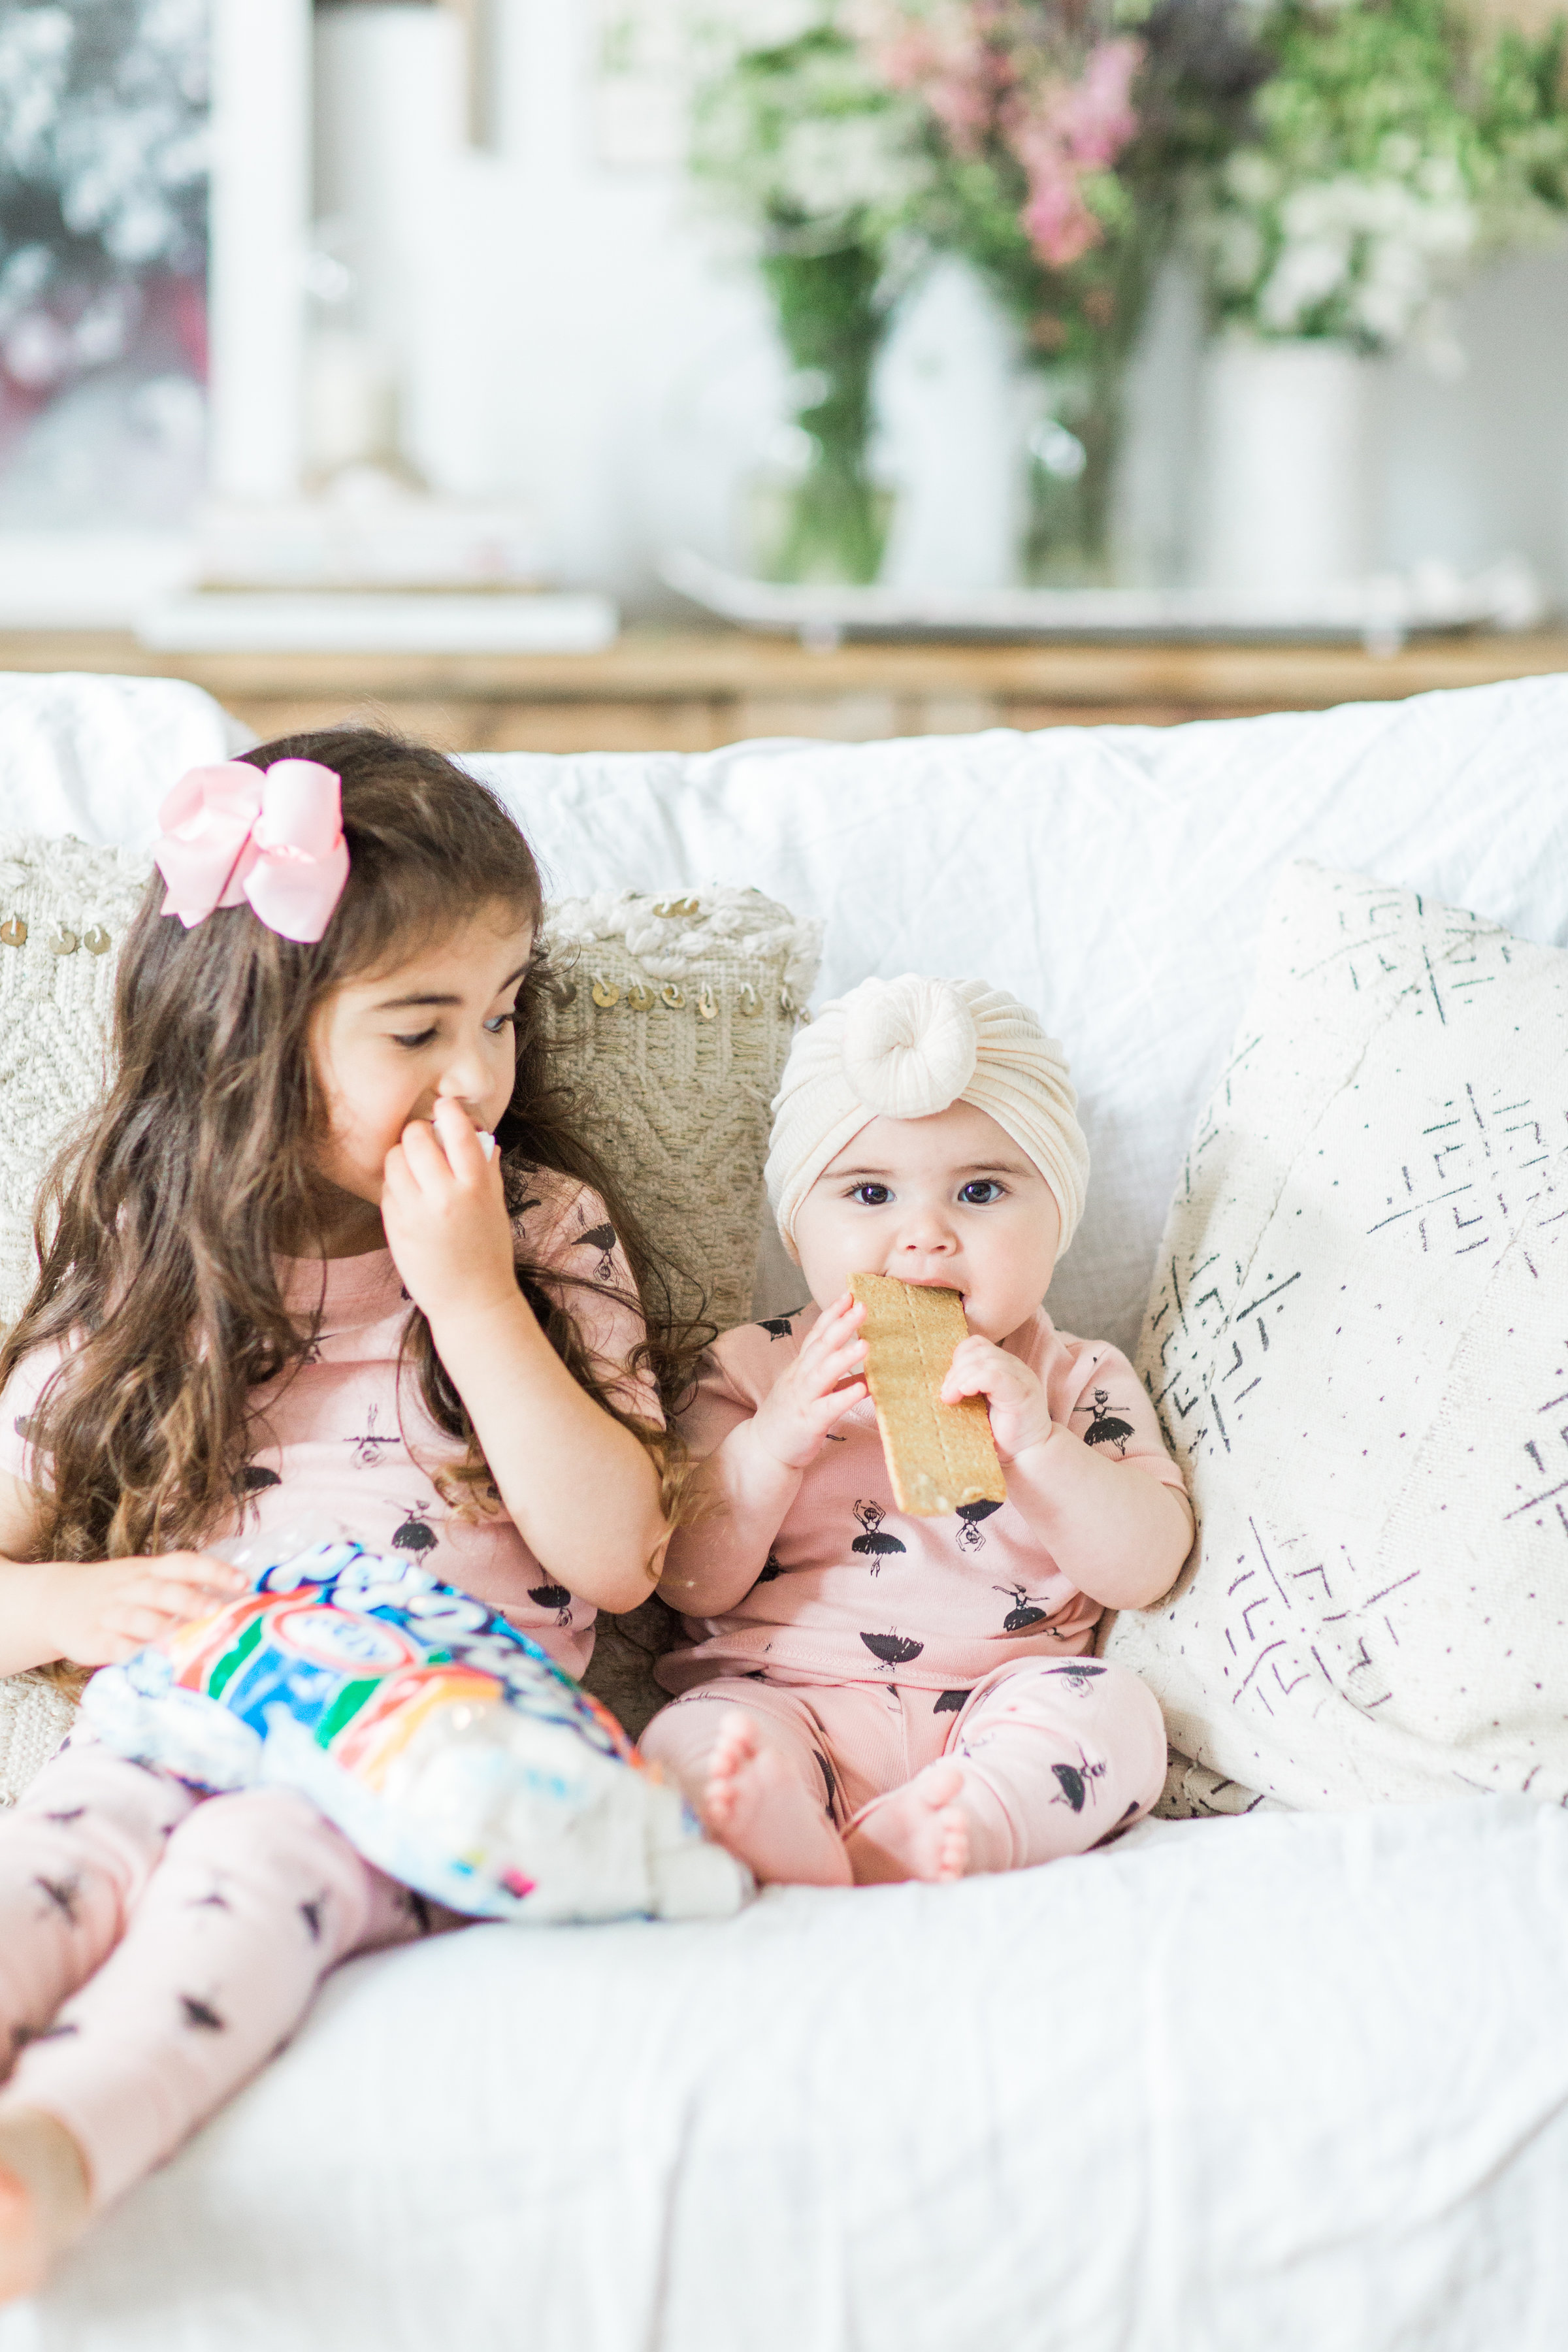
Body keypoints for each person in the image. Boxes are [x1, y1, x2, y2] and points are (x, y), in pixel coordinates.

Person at [0, 732, 693, 2298]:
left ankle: (57, 2151)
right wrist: (58, 1611)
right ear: (257, 1039)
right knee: (57, 1860)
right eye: (418, 1029)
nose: (481, 1076)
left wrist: (471, 1295)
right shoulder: (152, 1259)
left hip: (418, 1735)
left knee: (250, 1878)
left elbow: (617, 1555)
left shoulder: (538, 1228)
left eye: (501, 1015)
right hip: (191, 1696)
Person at [642, 973, 1192, 1891]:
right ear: (795, 1233)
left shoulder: (1076, 1377)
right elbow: (684, 1574)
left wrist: (1042, 1448)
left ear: (1058, 1221)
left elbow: (1146, 1567)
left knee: (1118, 1716)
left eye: (981, 1191)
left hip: (1004, 1700)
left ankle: (974, 1819)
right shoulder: (748, 1370)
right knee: (692, 1738)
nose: (925, 1235)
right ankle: (768, 1818)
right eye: (868, 1194)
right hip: (789, 1698)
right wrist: (775, 1441)